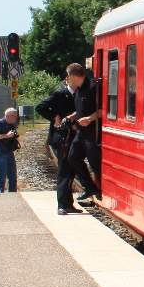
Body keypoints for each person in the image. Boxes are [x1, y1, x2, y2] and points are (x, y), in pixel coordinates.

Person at [38, 63, 100, 215]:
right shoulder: (61, 93)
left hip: (80, 134)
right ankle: (63, 204)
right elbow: (40, 107)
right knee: (65, 170)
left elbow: (83, 111)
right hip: (63, 137)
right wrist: (56, 118)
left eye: (67, 76)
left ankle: (70, 203)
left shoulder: (85, 89)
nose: (66, 79)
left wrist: (77, 118)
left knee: (73, 167)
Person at [0, 107, 20, 193]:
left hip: (9, 150)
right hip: (0, 151)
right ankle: (0, 193)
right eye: (14, 116)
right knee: (2, 174)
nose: (16, 118)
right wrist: (6, 136)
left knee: (12, 175)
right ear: (8, 116)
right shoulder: (0, 123)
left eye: (16, 116)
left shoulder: (13, 124)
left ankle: (13, 193)